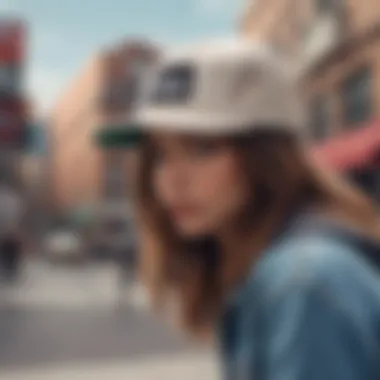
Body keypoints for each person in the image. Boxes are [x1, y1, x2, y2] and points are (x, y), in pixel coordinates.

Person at [123, 38, 380, 379]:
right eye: (160, 154)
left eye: (202, 149)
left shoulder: (302, 284)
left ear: (266, 156)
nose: (172, 179)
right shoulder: (271, 273)